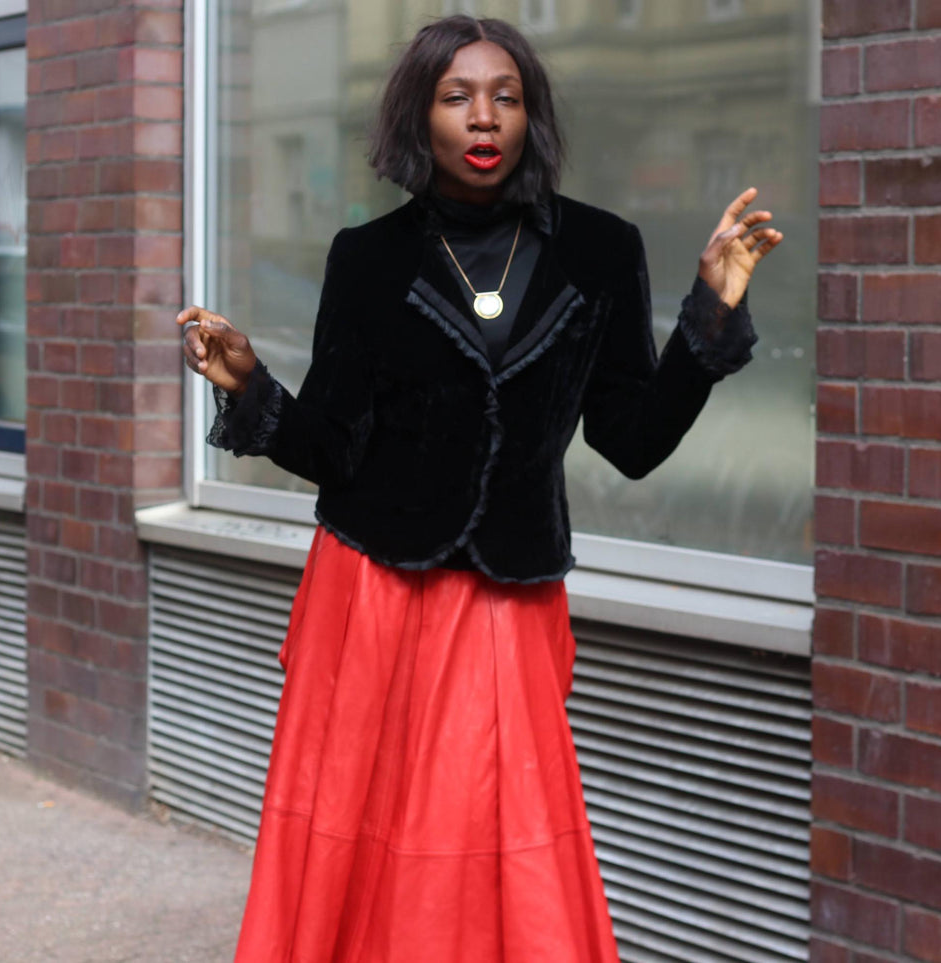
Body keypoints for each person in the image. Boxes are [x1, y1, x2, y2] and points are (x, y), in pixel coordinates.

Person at [177, 14, 782, 963]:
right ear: (420, 117)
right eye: (456, 96)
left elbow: (630, 441)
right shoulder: (366, 258)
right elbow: (334, 449)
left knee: (503, 833)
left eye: (505, 94)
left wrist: (710, 313)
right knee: (360, 824)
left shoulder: (599, 248)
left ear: (530, 115)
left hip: (508, 596)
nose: (483, 115)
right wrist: (253, 387)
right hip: (372, 587)